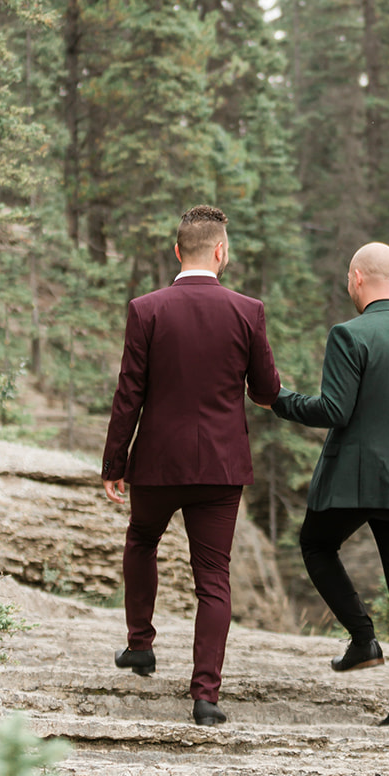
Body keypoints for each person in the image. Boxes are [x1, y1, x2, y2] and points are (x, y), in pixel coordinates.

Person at [101, 205, 280, 725]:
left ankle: (141, 645)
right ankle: (205, 697)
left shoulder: (146, 309)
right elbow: (266, 391)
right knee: (213, 579)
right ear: (221, 252)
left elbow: (128, 393)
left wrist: (116, 460)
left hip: (157, 462)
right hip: (221, 468)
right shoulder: (248, 311)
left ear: (178, 251)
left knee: (141, 540)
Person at [271, 242, 389, 726]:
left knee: (315, 544)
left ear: (356, 278)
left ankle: (363, 638)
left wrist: (281, 399)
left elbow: (335, 410)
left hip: (354, 481)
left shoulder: (349, 335)